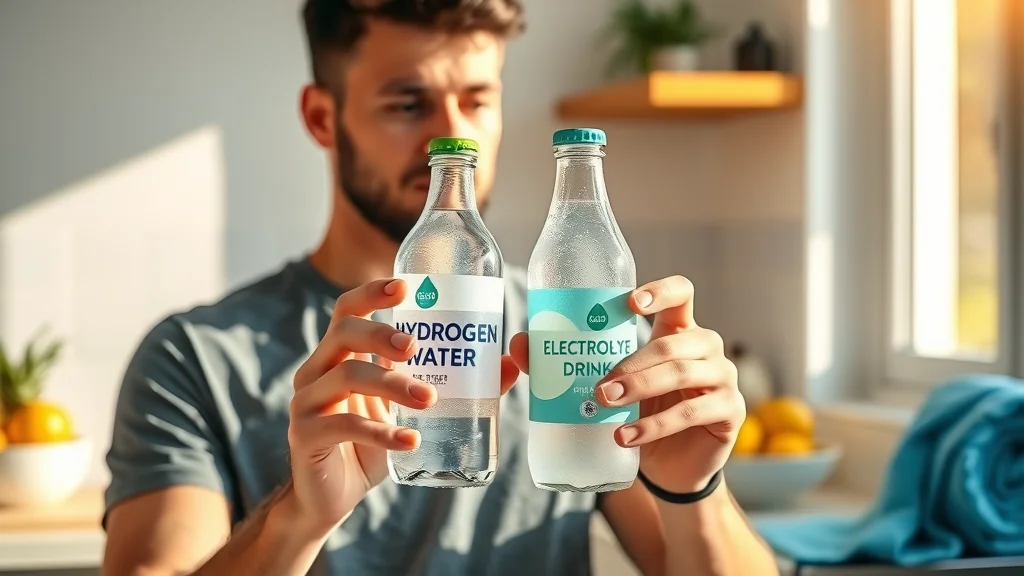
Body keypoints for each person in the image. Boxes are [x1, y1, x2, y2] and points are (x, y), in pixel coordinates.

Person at [101, 1, 779, 575]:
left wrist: (695, 491)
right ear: (322, 119)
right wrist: (297, 520)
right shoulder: (192, 360)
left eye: (477, 100)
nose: (452, 135)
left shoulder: (572, 331)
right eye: (408, 102)